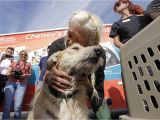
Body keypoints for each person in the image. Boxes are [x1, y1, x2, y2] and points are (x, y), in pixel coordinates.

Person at [45, 11, 110, 119]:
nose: (70, 42)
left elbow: (98, 95)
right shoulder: (57, 45)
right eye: (69, 34)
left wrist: (88, 86)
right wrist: (49, 76)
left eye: (78, 42)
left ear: (91, 43)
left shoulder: (99, 55)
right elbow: (46, 73)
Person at [2, 50, 32, 119]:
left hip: (22, 84)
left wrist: (24, 75)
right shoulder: (14, 62)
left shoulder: (28, 64)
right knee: (7, 105)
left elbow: (29, 74)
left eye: (25, 55)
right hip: (10, 82)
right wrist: (12, 74)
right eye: (21, 54)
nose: (23, 56)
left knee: (18, 106)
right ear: (19, 55)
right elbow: (7, 73)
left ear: (27, 56)